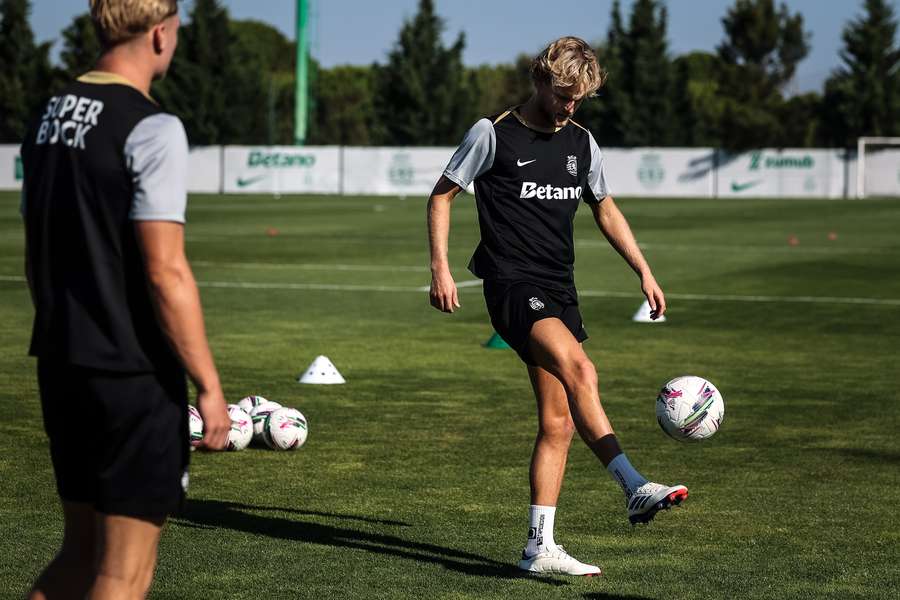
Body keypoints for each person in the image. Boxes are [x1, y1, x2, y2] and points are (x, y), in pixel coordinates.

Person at [427, 36, 687, 577]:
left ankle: (538, 547)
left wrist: (643, 268)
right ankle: (634, 486)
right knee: (580, 368)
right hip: (511, 285)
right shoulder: (493, 132)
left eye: (580, 99)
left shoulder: (582, 143)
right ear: (541, 80)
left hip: (560, 289)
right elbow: (442, 195)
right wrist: (441, 269)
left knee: (558, 421)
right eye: (565, 95)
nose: (571, 106)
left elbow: (605, 207)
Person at [20, 1, 230, 598]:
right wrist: (209, 386)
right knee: (121, 573)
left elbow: (36, 255)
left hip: (62, 362)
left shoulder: (47, 116)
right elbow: (166, 273)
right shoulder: (153, 125)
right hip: (130, 375)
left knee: (79, 557)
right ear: (160, 34)